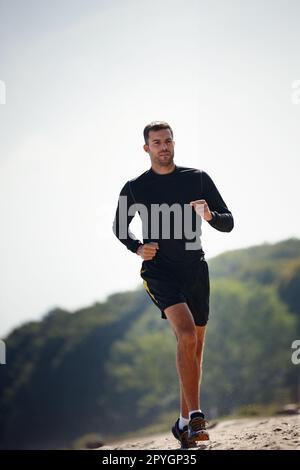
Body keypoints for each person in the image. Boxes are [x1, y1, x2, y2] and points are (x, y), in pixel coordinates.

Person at [113, 121, 234, 448]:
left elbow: (228, 222)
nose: (163, 146)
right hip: (160, 272)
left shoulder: (196, 179)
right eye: (157, 142)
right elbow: (119, 227)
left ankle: (183, 424)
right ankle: (196, 417)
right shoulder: (135, 188)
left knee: (195, 346)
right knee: (184, 333)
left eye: (168, 140)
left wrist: (211, 217)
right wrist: (137, 247)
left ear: (174, 143)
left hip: (195, 271)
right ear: (146, 148)